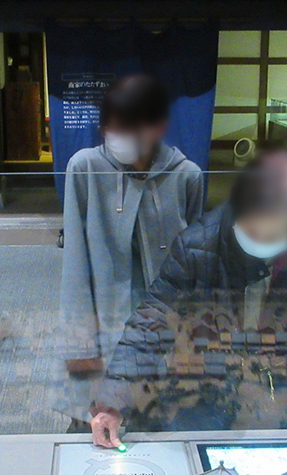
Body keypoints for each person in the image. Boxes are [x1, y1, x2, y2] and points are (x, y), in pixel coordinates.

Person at [90, 151, 287, 449]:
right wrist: (113, 402)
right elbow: (151, 324)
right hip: (209, 388)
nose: (262, 238)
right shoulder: (197, 246)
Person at [58, 74, 205, 428]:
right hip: (105, 324)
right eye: (112, 128)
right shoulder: (85, 167)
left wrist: (193, 340)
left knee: (159, 430)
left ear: (157, 127)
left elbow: (196, 268)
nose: (117, 136)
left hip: (162, 332)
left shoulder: (187, 175)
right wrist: (79, 345)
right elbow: (75, 264)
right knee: (94, 433)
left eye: (129, 128)